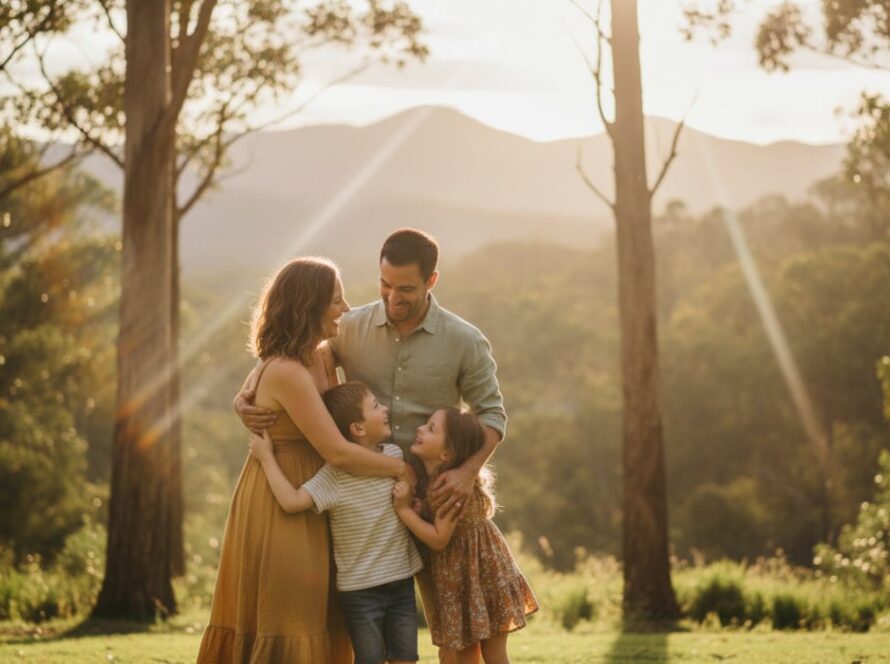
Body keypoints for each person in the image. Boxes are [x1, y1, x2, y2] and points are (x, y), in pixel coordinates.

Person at [236, 228, 507, 660]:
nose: (392, 297)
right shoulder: (349, 328)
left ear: (431, 281)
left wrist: (465, 471)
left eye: (406, 289)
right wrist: (244, 396)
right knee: (352, 627)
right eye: (385, 285)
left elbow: (492, 416)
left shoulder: (464, 340)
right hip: (360, 507)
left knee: (459, 634)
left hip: (434, 500)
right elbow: (287, 358)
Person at [198, 257, 410, 663]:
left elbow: (254, 383)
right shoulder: (287, 371)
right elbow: (336, 451)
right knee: (290, 616)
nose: (345, 309)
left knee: (321, 613)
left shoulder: (324, 355)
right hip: (283, 500)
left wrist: (241, 399)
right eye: (335, 300)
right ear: (307, 306)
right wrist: (403, 468)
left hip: (320, 493)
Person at [248, 381, 451, 664]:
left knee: (406, 658)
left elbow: (411, 498)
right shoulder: (334, 476)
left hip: (401, 581)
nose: (385, 408)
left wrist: (411, 502)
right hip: (361, 592)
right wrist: (266, 458)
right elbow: (292, 501)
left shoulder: (394, 456)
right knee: (369, 659)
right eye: (376, 406)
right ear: (357, 428)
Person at [392, 408, 538, 664]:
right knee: (472, 654)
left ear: (446, 453)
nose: (420, 429)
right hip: (471, 577)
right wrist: (421, 508)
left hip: (478, 578)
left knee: (487, 654)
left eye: (431, 428)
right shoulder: (440, 480)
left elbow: (438, 538)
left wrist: (404, 510)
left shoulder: (448, 488)